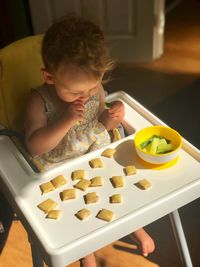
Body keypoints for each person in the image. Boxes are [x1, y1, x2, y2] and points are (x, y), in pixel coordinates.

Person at [24, 14, 155, 267]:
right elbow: (34, 145)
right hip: (60, 166)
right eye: (75, 92)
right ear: (49, 77)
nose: (85, 96)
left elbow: (99, 125)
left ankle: (133, 224)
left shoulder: (94, 89)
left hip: (96, 153)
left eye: (92, 88)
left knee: (120, 187)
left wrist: (113, 113)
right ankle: (87, 252)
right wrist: (65, 120)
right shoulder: (39, 102)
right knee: (78, 208)